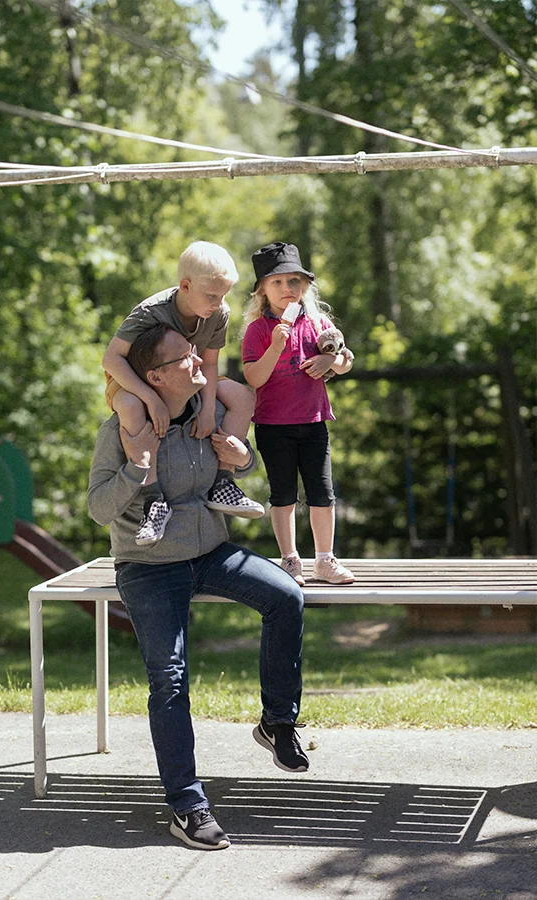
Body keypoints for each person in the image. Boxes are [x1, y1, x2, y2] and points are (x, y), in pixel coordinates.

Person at [88, 323, 308, 851]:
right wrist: (135, 473)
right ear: (156, 376)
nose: (198, 361)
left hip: (210, 553)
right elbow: (98, 510)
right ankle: (187, 805)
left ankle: (278, 722)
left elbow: (232, 468)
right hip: (148, 565)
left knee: (287, 597)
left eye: (193, 352)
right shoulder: (120, 428)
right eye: (185, 357)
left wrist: (244, 457)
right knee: (169, 678)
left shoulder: (201, 414)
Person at [102, 241, 264, 547]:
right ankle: (154, 501)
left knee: (244, 397)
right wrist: (150, 398)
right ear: (185, 285)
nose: (219, 302)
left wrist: (205, 410)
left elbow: (211, 362)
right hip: (135, 379)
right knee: (130, 405)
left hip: (192, 373)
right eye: (212, 295)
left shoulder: (219, 313)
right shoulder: (151, 312)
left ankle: (223, 482)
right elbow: (111, 360)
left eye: (224, 295)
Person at [241, 241, 356, 587]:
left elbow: (346, 359)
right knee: (283, 494)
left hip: (314, 421)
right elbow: (253, 377)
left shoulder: (318, 322)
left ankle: (325, 559)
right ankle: (290, 560)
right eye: (277, 283)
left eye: (294, 282)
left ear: (304, 286)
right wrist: (276, 345)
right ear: (262, 289)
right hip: (274, 425)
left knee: (323, 493)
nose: (287, 290)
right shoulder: (258, 331)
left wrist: (330, 361)